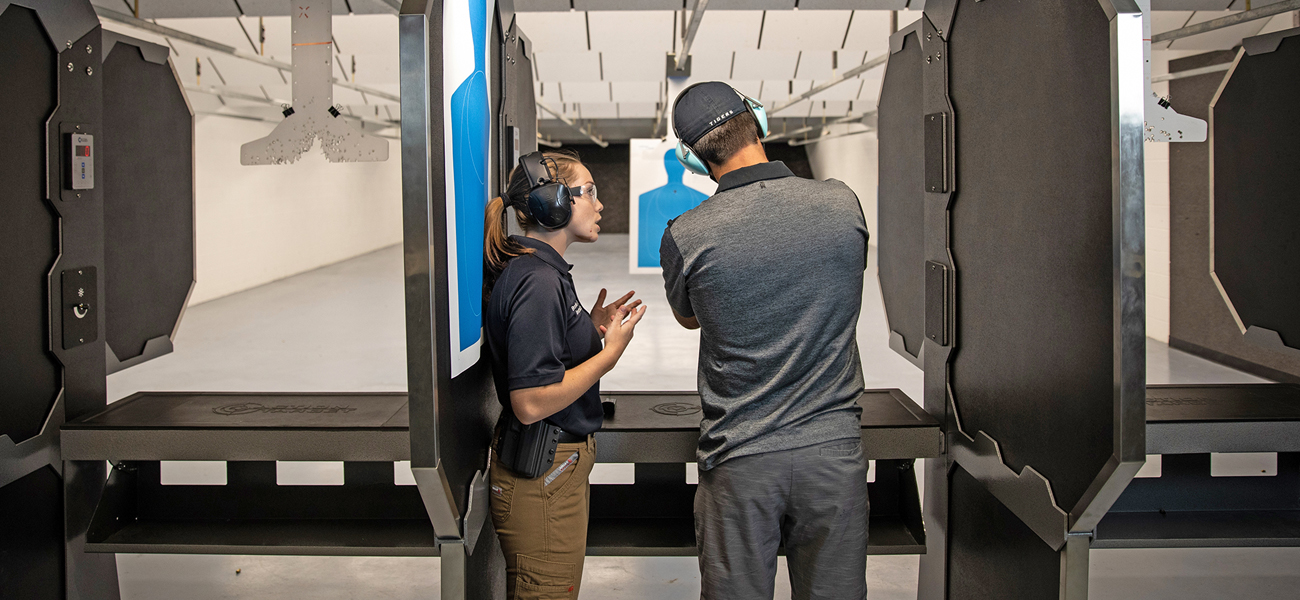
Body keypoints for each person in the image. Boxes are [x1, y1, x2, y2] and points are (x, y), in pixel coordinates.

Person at [661, 82, 872, 600]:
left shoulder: (686, 233)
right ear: (758, 120)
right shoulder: (843, 203)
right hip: (833, 455)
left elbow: (692, 319)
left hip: (739, 460)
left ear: (691, 159)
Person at [483, 149, 646, 599]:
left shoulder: (542, 271)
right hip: (544, 476)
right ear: (553, 203)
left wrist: (588, 329)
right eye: (588, 192)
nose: (599, 204)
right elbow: (531, 402)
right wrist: (607, 356)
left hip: (551, 471)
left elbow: (545, 349)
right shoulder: (537, 281)